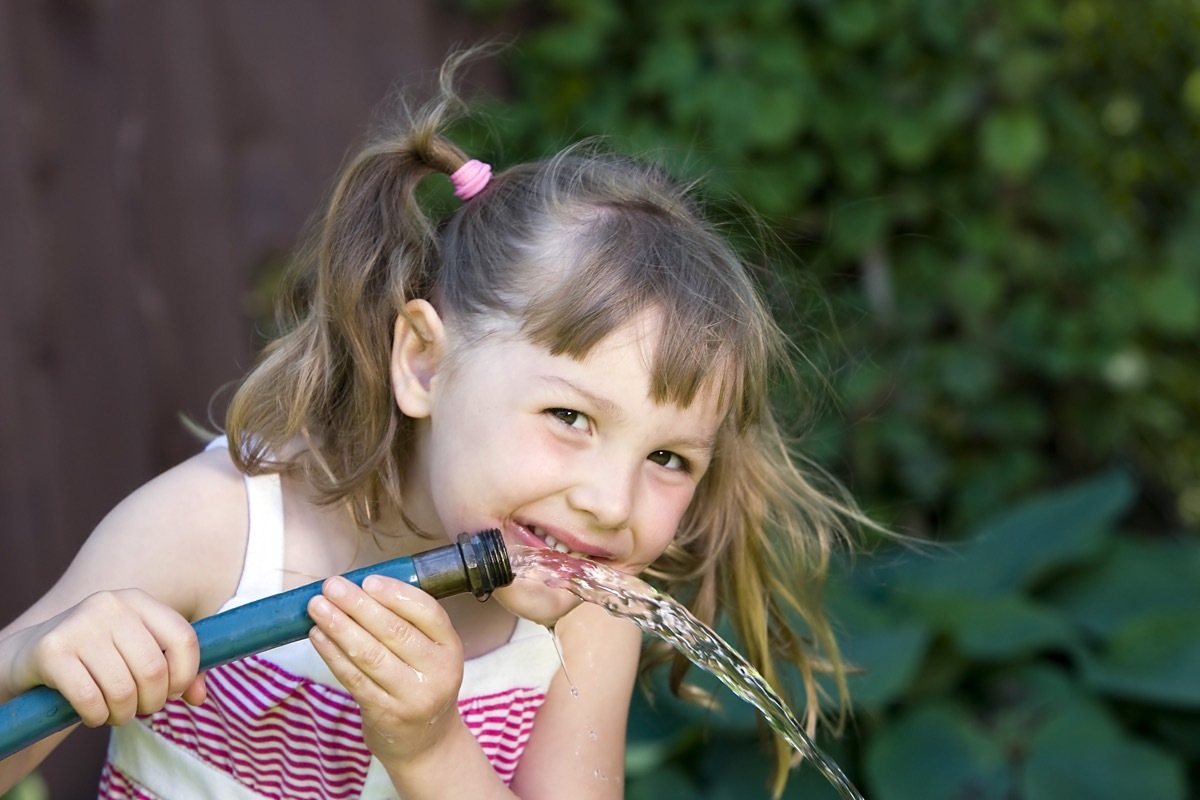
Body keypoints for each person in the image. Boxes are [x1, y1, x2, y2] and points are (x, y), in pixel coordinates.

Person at [0, 49, 869, 799]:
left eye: (672, 459)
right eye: (570, 416)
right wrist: (29, 662)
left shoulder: (585, 617)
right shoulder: (220, 529)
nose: (611, 501)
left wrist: (430, 748)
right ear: (424, 362)